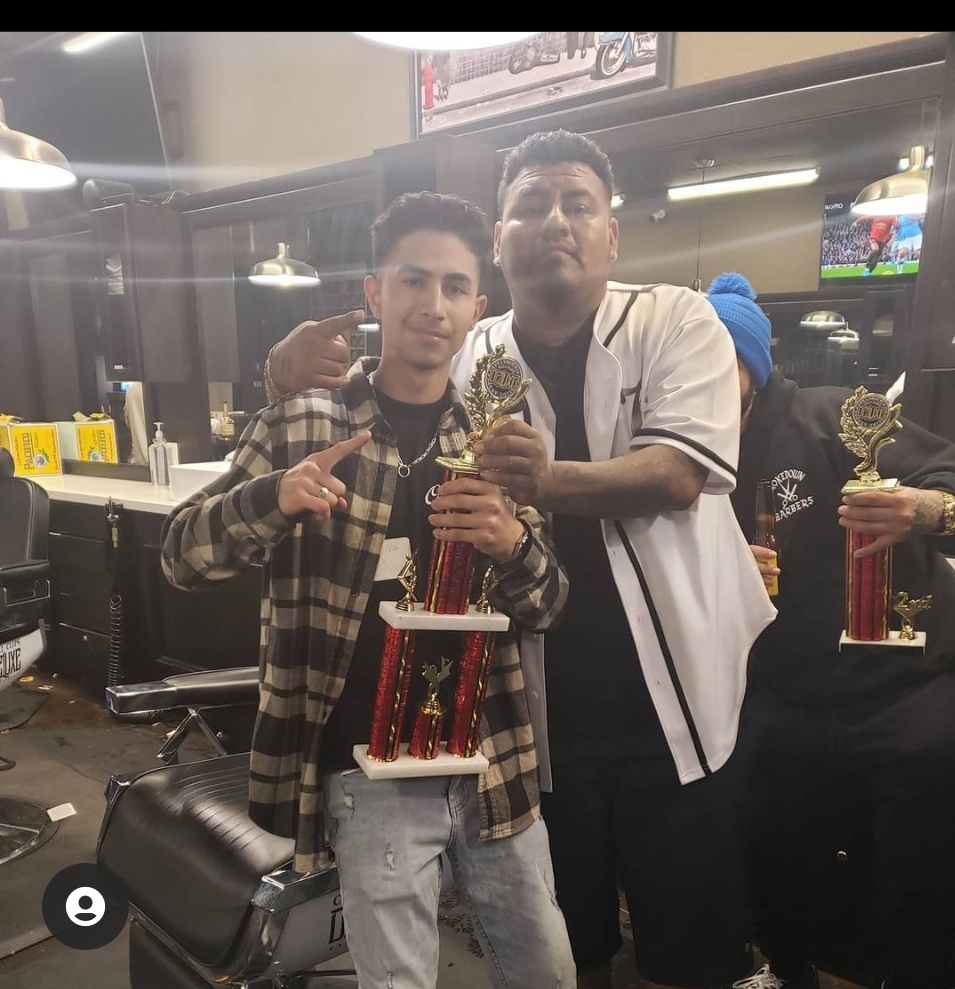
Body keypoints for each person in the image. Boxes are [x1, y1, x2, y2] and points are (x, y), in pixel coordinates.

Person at [263, 129, 778, 989]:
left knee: (688, 947)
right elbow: (385, 392)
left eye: (577, 204)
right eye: (531, 206)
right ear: (500, 243)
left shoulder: (676, 318)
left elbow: (681, 473)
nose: (555, 222)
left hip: (679, 705)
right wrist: (279, 375)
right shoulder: (476, 348)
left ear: (611, 233)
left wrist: (545, 479)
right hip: (530, 721)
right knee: (570, 947)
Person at [161, 191, 576, 989]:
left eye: (454, 286)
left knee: (548, 974)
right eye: (413, 280)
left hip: (491, 760)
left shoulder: (495, 441)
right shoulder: (302, 424)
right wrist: (274, 496)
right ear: (374, 293)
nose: (433, 304)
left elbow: (550, 603)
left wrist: (510, 541)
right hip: (367, 771)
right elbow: (181, 557)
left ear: (477, 309)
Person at [708, 270, 955, 989]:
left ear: (752, 366)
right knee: (771, 855)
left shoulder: (837, 414)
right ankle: (787, 971)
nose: (702, 381)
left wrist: (922, 509)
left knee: (919, 870)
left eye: (718, 361)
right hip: (783, 694)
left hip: (904, 687)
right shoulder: (685, 455)